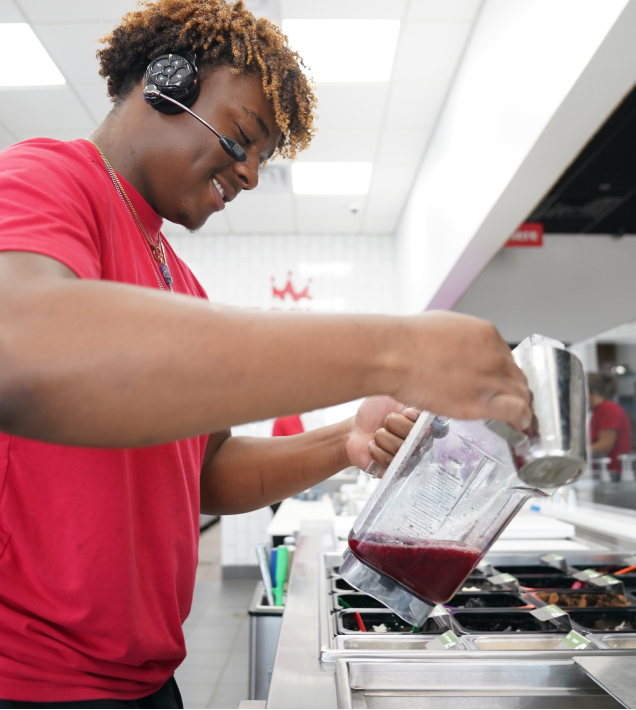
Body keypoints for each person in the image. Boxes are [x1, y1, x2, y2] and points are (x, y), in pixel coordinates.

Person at [0, 0, 531, 705]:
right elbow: (25, 349)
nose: (249, 174)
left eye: (261, 157)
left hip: (143, 679)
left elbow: (206, 474)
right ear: (165, 82)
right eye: (241, 137)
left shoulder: (179, 280)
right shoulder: (44, 178)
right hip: (31, 682)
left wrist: (347, 439)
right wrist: (396, 348)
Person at [588, 372, 632, 476]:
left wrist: (576, 453)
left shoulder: (609, 409)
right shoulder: (596, 412)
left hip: (615, 475)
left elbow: (605, 445)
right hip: (603, 474)